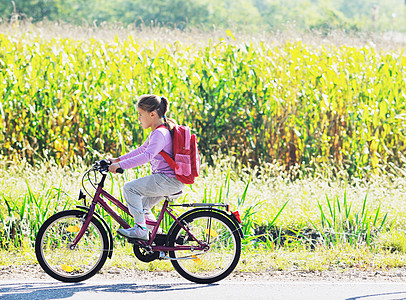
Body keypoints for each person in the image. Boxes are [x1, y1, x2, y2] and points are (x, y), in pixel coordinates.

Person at [108, 94, 184, 240]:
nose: (138, 118)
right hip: (166, 180)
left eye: (140, 114)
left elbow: (146, 156)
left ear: (152, 114)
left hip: (167, 180)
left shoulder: (160, 133)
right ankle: (159, 238)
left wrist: (120, 166)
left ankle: (141, 229)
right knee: (142, 207)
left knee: (130, 188)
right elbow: (142, 150)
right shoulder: (157, 132)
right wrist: (116, 160)